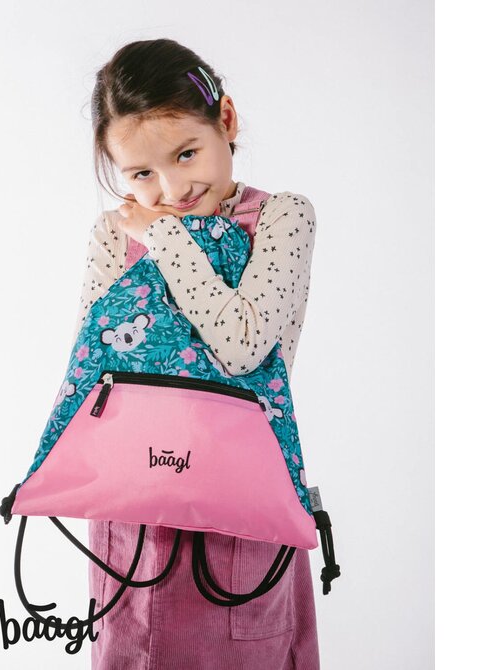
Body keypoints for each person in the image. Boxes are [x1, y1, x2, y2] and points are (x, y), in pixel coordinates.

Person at [72, 38, 320, 670]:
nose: (172, 188)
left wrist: (163, 237)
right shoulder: (112, 234)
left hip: (239, 503)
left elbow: (242, 347)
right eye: (141, 175)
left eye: (187, 153)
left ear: (226, 120)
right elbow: (96, 371)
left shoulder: (279, 218)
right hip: (133, 514)